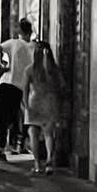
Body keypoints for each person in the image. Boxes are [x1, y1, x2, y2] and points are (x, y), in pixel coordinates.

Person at [0, 18, 35, 160]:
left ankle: (1, 147)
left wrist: (0, 66)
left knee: (5, 118)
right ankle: (15, 144)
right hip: (20, 86)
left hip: (6, 82)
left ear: (19, 30)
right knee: (17, 117)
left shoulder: (13, 43)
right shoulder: (33, 47)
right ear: (30, 31)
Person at [26, 38, 65, 175]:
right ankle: (49, 161)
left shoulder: (30, 70)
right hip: (51, 101)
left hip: (34, 102)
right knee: (49, 134)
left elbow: (25, 89)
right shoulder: (54, 70)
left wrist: (25, 105)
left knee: (33, 133)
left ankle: (37, 163)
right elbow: (62, 85)